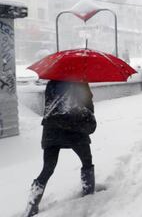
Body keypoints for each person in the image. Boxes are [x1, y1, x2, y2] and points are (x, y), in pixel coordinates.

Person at [23, 80, 97, 217]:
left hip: (52, 131)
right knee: (87, 161)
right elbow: (89, 108)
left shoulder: (52, 83)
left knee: (48, 168)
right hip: (75, 130)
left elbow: (49, 107)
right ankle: (89, 194)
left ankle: (31, 205)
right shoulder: (80, 82)